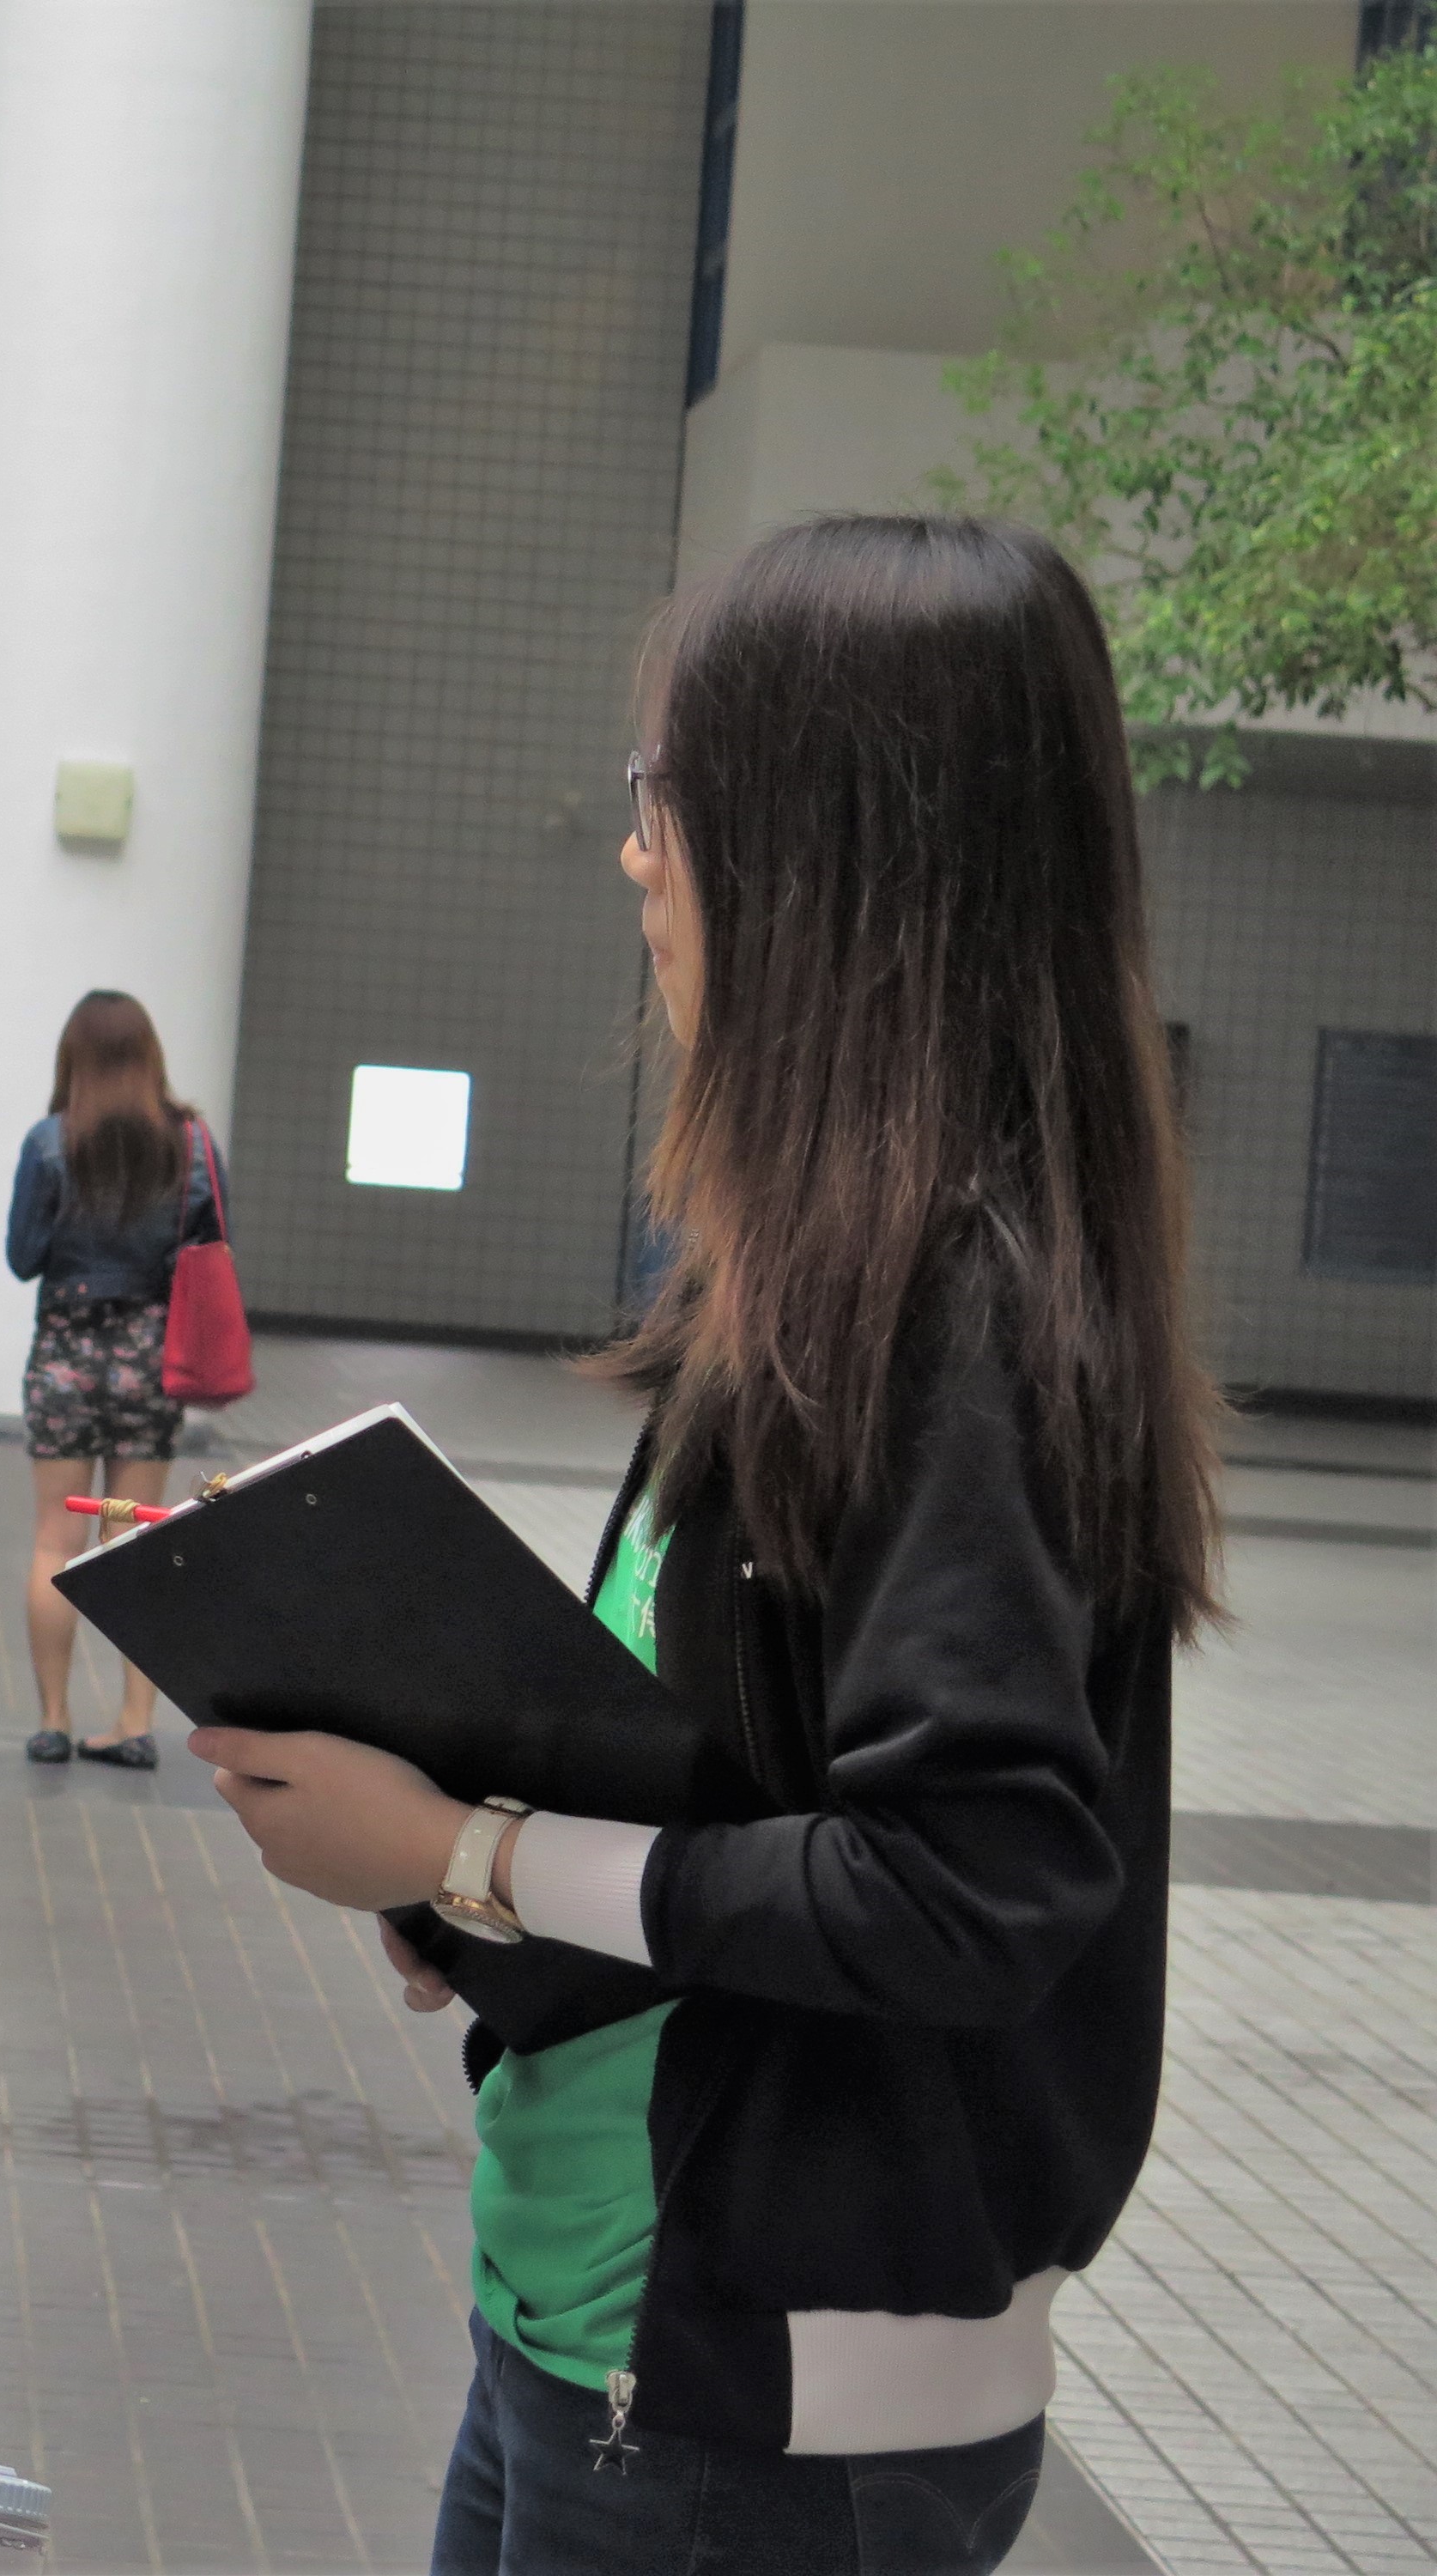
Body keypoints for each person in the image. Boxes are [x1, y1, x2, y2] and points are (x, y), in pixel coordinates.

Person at [193, 517, 1216, 2575]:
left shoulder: (955, 1312)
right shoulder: (807, 1279)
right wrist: (487, 1904)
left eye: (673, 799)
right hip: (595, 2348)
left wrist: (463, 1853)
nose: (636, 856)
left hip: (758, 2437)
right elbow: (742, 1801)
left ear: (839, 859)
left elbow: (963, 1881)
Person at [5, 989, 221, 1770]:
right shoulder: (190, 1143)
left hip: (64, 1358)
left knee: (54, 1544)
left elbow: (23, 1256)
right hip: (149, 1360)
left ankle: (54, 1722)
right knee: (136, 1543)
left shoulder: (49, 1141)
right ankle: (134, 1725)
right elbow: (212, 1245)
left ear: (74, 1059)